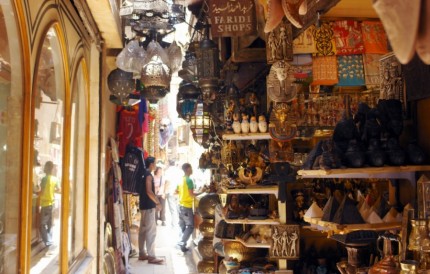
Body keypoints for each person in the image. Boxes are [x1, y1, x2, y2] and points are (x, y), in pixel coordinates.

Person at [138, 157, 164, 264]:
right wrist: (157, 202)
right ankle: (151, 256)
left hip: (143, 206)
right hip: (149, 206)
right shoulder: (148, 175)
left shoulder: (143, 173)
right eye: (155, 164)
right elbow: (149, 191)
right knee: (151, 231)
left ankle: (142, 253)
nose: (155, 166)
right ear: (151, 164)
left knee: (143, 231)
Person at [38, 161, 61, 248]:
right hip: (52, 204)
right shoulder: (55, 179)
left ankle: (48, 241)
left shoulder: (44, 179)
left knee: (42, 224)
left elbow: (42, 191)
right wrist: (52, 191)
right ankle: (50, 240)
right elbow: (59, 189)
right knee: (50, 223)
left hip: (45, 204)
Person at [176, 163, 196, 252]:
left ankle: (182, 246)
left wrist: (183, 195)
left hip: (180, 205)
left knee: (182, 226)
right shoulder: (189, 180)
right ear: (188, 169)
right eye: (191, 168)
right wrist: (202, 192)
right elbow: (192, 195)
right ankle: (181, 242)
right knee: (190, 226)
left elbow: (175, 192)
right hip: (186, 206)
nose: (192, 169)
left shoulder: (180, 179)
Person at [164, 161, 182, 228]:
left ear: (169, 163)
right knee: (178, 207)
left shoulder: (168, 171)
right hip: (178, 192)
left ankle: (174, 224)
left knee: (173, 208)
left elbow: (167, 182)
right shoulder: (179, 171)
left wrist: (164, 192)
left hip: (170, 192)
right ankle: (179, 222)